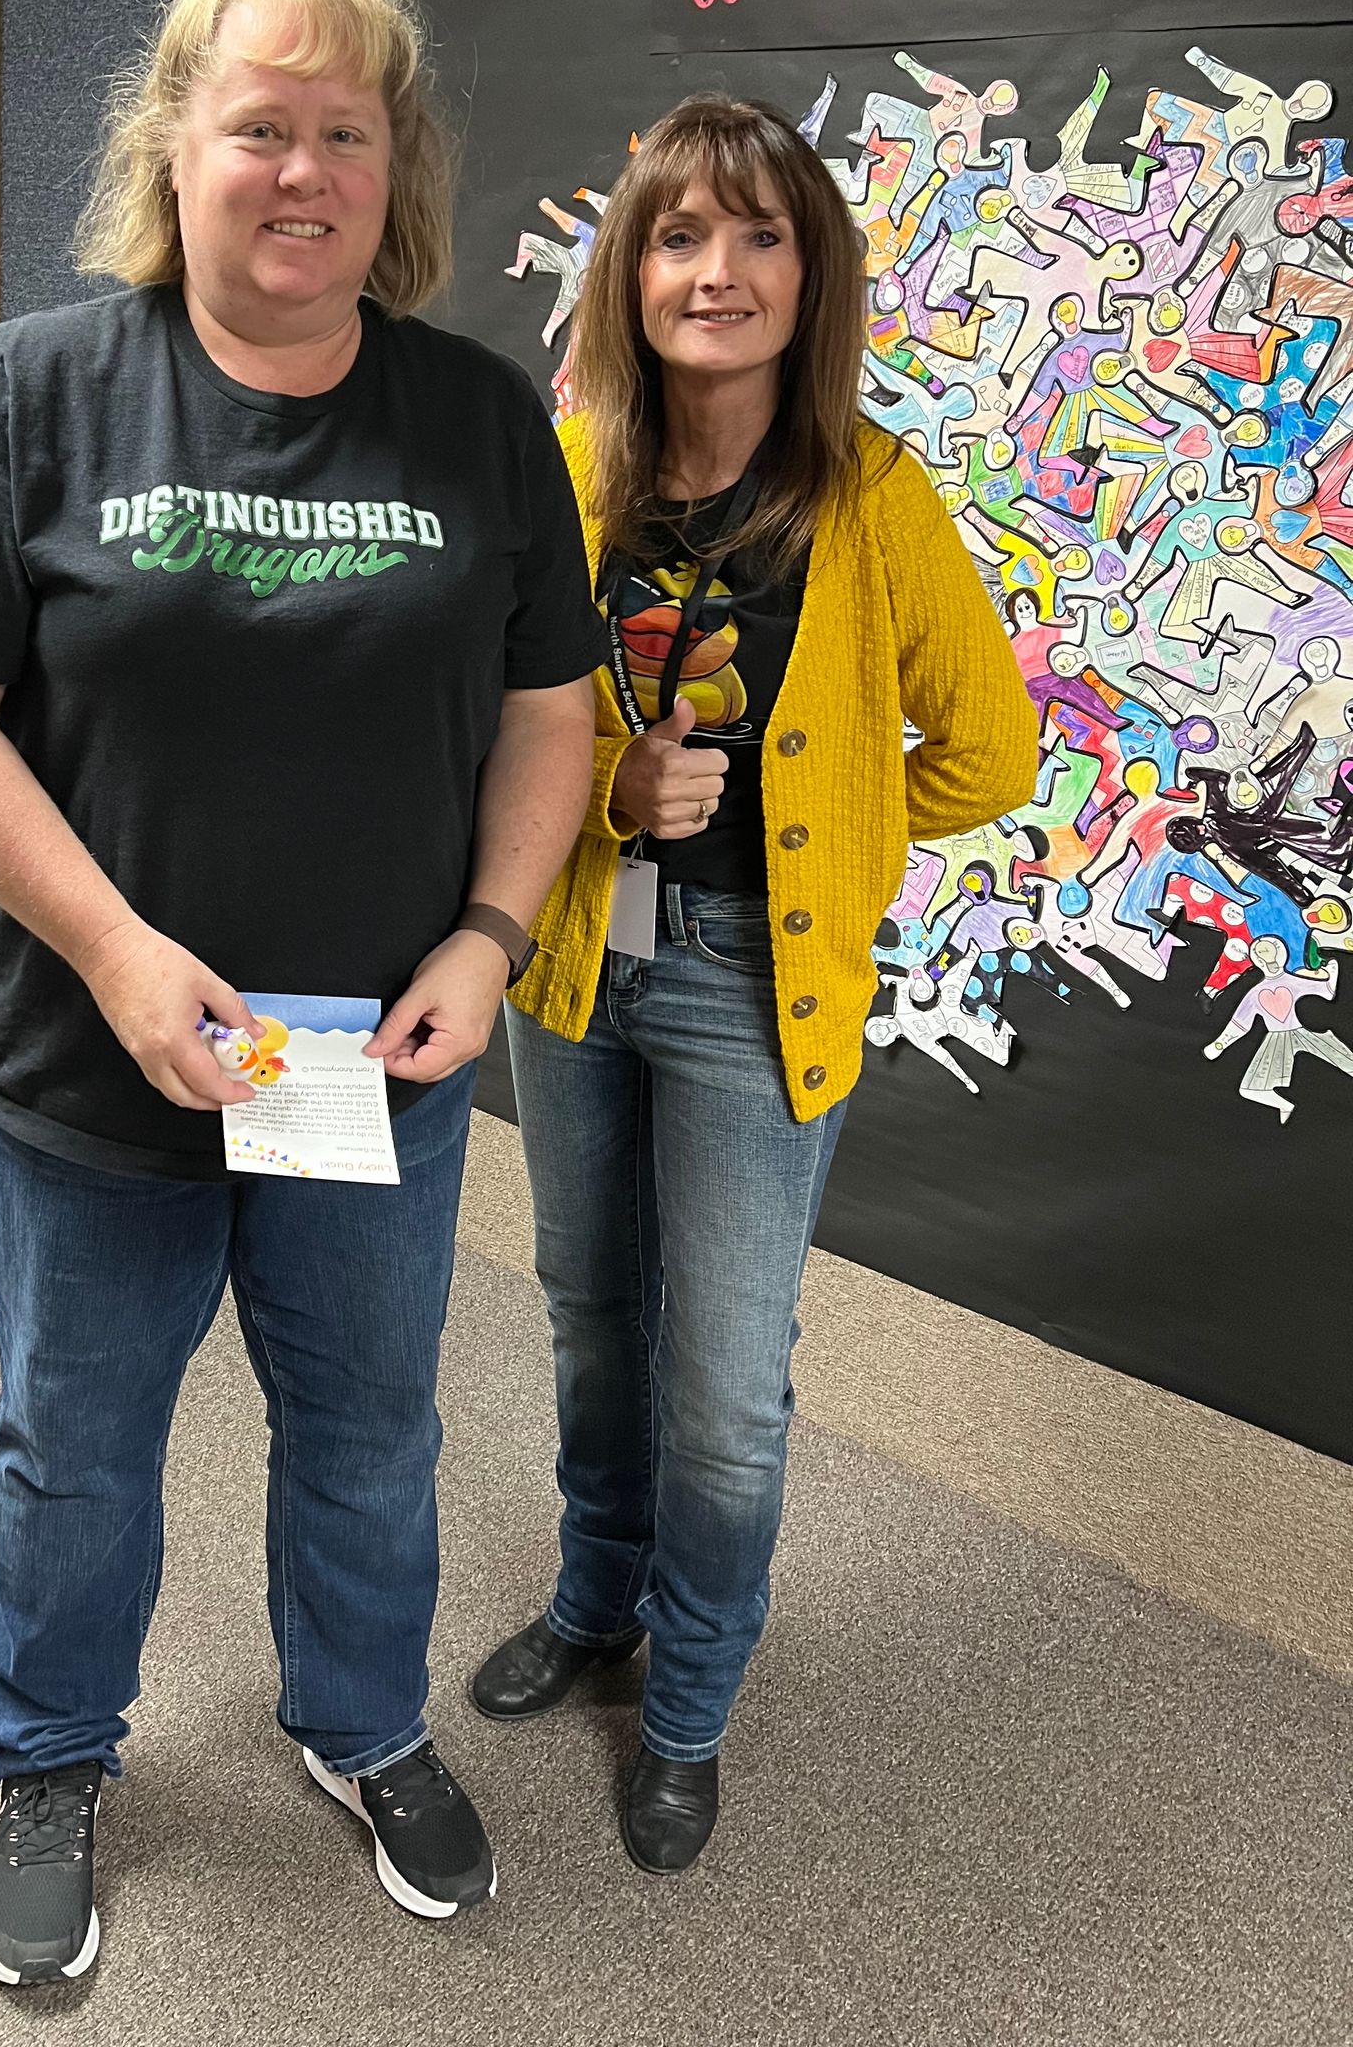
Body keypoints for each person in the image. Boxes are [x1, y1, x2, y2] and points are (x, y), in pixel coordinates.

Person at [0, 0, 603, 1982]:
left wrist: (490, 926)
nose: (301, 166)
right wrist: (102, 944)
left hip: (370, 1060)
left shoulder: (475, 418)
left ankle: (357, 1719)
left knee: (367, 1425)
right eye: (258, 120)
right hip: (97, 1067)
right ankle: (52, 1755)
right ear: (173, 144)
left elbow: (552, 706)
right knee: (74, 1443)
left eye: (343, 128)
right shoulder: (40, 388)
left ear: (396, 164)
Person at [473, 95, 1037, 1872]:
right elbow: (492, 732)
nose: (716, 271)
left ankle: (692, 1701)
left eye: (759, 235)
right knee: (584, 1307)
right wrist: (604, 810)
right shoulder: (567, 481)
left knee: (726, 1377)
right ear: (628, 271)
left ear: (811, 272)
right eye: (678, 236)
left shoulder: (870, 497)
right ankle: (596, 1599)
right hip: (572, 968)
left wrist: (820, 852)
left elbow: (990, 752)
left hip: (747, 992)